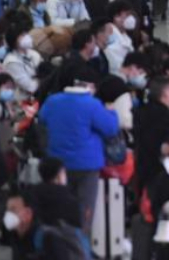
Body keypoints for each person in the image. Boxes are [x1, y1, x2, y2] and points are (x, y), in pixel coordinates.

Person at [37, 77, 120, 233]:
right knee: (84, 208)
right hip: (86, 164)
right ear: (90, 86)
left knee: (59, 205)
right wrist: (112, 112)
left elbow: (42, 120)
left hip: (58, 162)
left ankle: (57, 242)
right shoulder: (92, 105)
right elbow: (110, 129)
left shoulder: (52, 101)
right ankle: (80, 244)